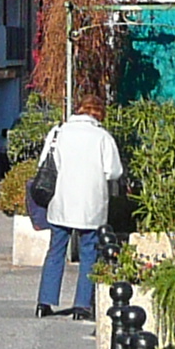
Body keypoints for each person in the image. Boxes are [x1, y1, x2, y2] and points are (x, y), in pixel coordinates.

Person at [35, 107, 123, 320]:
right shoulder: (103, 137)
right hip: (91, 205)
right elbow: (114, 171)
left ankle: (44, 303)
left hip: (61, 202)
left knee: (55, 251)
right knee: (89, 253)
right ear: (97, 115)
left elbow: (43, 162)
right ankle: (81, 306)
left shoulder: (58, 132)